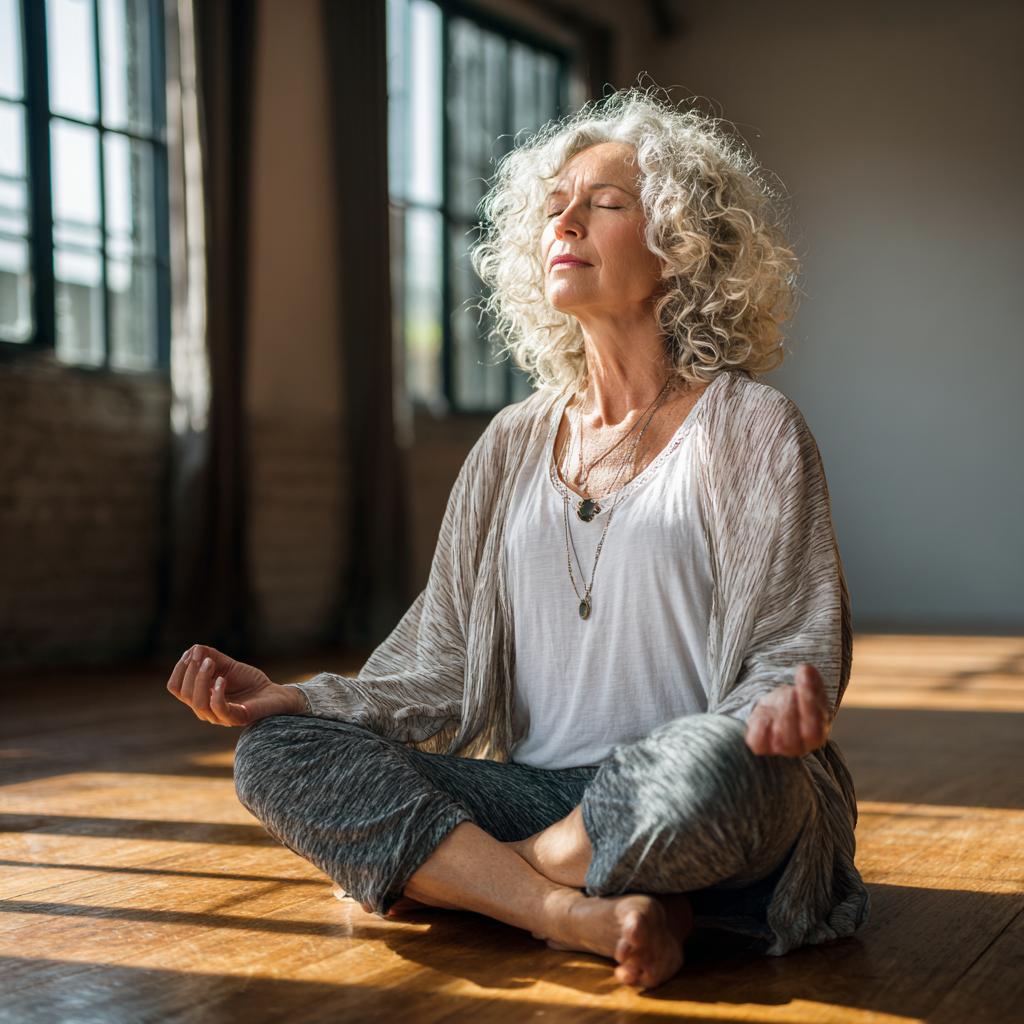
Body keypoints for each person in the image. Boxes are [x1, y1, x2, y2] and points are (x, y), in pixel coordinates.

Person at [167, 90, 869, 990]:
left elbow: (789, 648)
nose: (565, 219)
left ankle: (488, 874)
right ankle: (569, 910)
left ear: (680, 247)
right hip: (541, 787)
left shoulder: (752, 426)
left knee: (718, 772)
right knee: (273, 757)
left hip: (686, 787)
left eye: (604, 204)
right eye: (554, 206)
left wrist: (772, 715)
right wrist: (299, 699)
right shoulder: (511, 442)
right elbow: (439, 661)